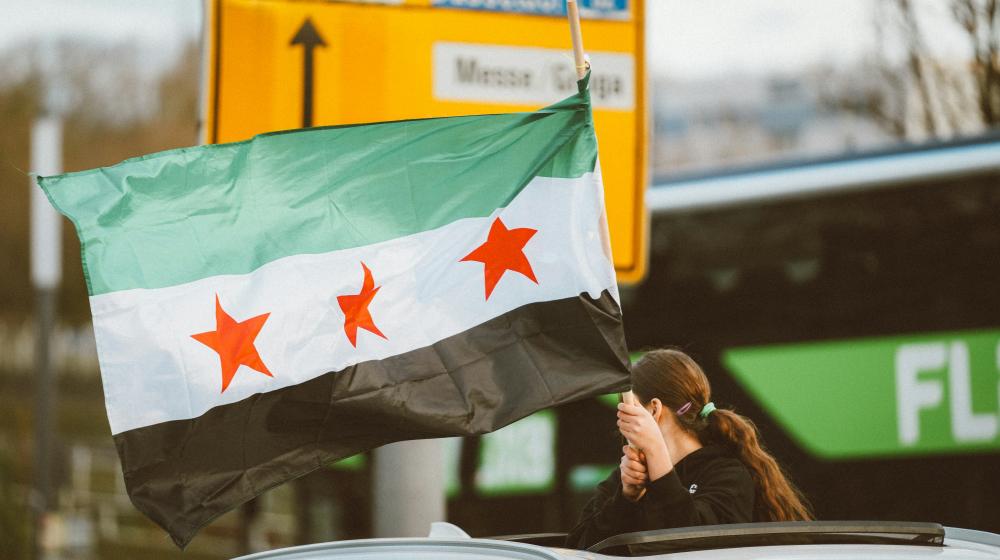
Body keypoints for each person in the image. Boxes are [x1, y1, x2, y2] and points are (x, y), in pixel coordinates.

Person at [565, 348, 812, 549]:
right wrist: (626, 499)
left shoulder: (727, 474)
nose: (622, 427)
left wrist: (656, 452)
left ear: (653, 409)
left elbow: (697, 545)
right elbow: (576, 548)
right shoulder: (625, 480)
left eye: (627, 411)